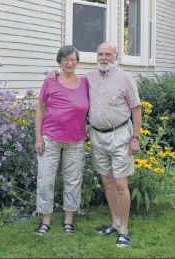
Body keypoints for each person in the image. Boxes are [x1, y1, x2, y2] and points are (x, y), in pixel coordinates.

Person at [48, 42, 142, 248]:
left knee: (120, 183)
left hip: (120, 136)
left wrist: (136, 137)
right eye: (100, 54)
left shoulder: (126, 78)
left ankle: (124, 230)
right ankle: (115, 222)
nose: (103, 58)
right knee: (107, 181)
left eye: (108, 54)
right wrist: (54, 74)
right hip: (97, 137)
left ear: (116, 56)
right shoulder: (88, 78)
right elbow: (69, 81)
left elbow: (136, 109)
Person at [34, 45, 89, 236]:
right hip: (50, 138)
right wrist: (38, 138)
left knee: (73, 180)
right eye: (66, 59)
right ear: (59, 61)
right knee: (45, 180)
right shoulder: (50, 82)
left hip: (76, 140)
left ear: (77, 62)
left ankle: (68, 221)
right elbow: (40, 110)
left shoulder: (85, 83)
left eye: (73, 59)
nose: (70, 63)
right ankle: (45, 220)